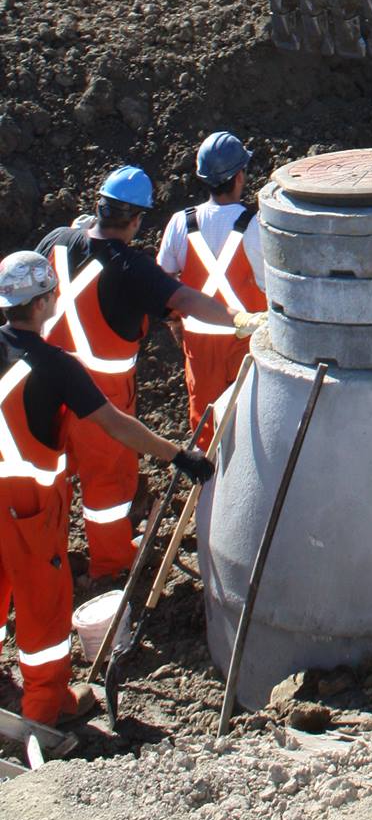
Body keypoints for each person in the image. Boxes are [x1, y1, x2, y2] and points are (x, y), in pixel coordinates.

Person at [0, 250, 212, 728]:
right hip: (28, 504)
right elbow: (115, 426)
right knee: (43, 606)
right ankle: (46, 706)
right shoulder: (55, 366)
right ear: (44, 301)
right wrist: (177, 454)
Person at [40, 166, 249, 588]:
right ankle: (111, 563)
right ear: (137, 220)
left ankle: (49, 558)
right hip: (101, 396)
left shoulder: (56, 242)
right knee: (108, 485)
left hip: (44, 386)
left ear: (97, 206)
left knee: (51, 476)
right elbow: (186, 300)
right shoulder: (130, 266)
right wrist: (238, 318)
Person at [157, 132, 267, 432]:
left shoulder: (181, 222)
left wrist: (175, 323)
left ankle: (206, 478)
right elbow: (271, 286)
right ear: (240, 176)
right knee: (247, 425)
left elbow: (163, 280)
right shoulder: (255, 226)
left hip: (198, 343)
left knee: (205, 426)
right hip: (244, 341)